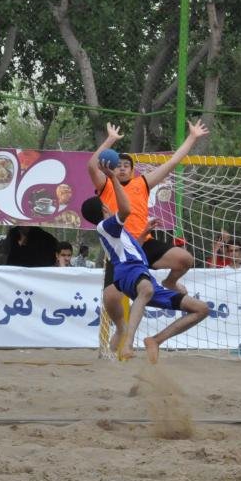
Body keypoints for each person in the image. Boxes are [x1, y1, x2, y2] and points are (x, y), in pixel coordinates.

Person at [81, 163, 210, 362]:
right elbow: (126, 209)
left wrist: (143, 234)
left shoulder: (116, 231)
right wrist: (113, 179)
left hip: (140, 271)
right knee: (145, 289)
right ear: (105, 207)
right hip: (128, 271)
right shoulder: (106, 225)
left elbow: (135, 250)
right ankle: (128, 342)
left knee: (201, 309)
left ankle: (155, 340)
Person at [89, 122, 204, 295]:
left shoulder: (141, 183)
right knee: (112, 300)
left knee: (185, 259)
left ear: (132, 170)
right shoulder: (106, 185)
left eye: (126, 165)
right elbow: (91, 166)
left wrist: (192, 137)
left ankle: (170, 282)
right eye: (118, 165)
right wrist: (110, 139)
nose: (122, 168)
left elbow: (173, 162)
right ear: (111, 168)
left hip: (144, 243)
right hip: (120, 247)